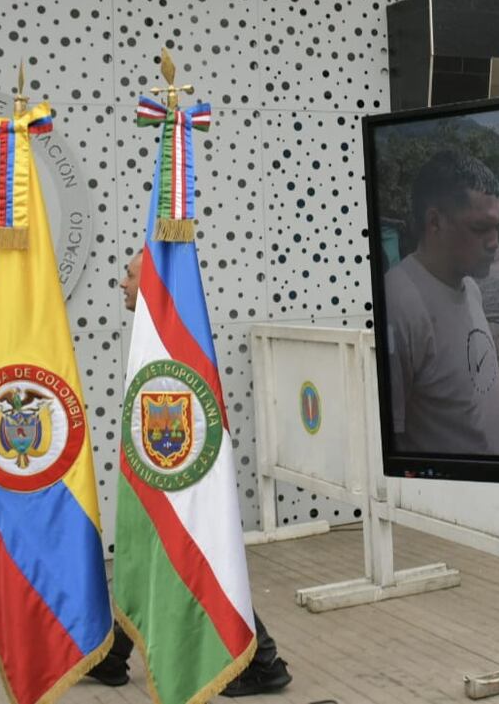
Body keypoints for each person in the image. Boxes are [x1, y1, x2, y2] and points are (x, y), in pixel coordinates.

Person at [89, 254, 292, 695]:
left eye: (129, 274)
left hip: (182, 472)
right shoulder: (152, 337)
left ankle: (261, 658)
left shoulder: (169, 341)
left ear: (152, 284)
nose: (121, 282)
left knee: (189, 551)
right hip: (165, 467)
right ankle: (113, 654)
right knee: (151, 546)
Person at [384, 150, 499, 455]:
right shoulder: (399, 305)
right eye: (480, 228)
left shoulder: (470, 286)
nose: (494, 242)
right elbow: (392, 441)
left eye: (498, 227)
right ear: (435, 222)